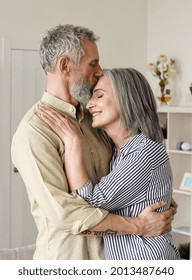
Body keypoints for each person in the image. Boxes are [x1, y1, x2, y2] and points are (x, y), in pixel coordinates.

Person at [11, 24, 176, 260]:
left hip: (115, 258)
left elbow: (129, 170)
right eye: (93, 63)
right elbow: (64, 214)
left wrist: (157, 197)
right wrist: (140, 226)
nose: (99, 71)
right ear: (65, 66)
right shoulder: (33, 132)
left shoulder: (96, 118)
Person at [38, 68, 180, 260]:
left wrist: (73, 143)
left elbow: (90, 204)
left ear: (126, 99)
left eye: (99, 96)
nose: (89, 104)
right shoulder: (117, 153)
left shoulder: (144, 152)